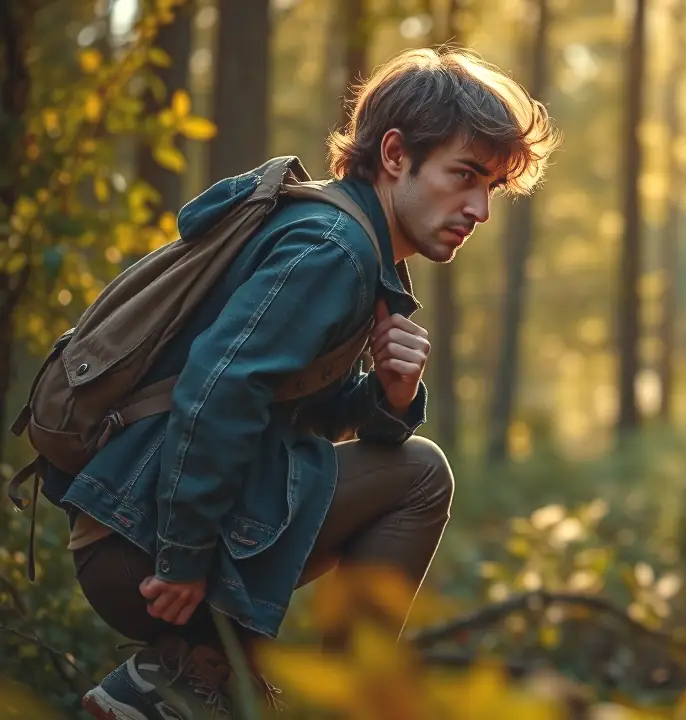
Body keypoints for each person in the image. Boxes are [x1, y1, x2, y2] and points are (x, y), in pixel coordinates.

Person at [63, 46, 561, 720]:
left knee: (394, 464)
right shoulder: (335, 248)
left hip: (138, 528)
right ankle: (333, 700)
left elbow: (296, 415)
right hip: (145, 546)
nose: (479, 208)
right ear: (395, 155)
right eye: (465, 175)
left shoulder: (350, 242)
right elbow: (217, 391)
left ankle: (185, 674)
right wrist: (181, 558)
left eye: (492, 187)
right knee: (420, 477)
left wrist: (389, 396)